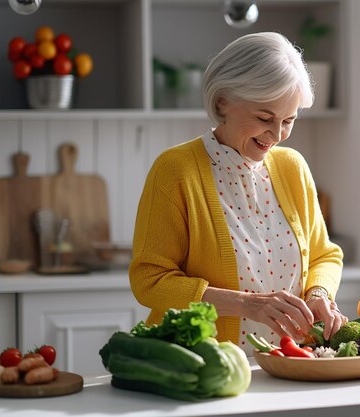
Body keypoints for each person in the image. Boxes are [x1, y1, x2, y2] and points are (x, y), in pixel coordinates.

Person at [129, 32, 345, 354]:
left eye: (289, 120)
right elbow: (150, 280)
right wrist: (246, 305)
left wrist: (318, 295)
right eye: (264, 118)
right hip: (202, 366)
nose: (277, 134)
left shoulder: (292, 167)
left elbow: (324, 255)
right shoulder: (175, 170)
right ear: (222, 102)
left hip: (288, 362)